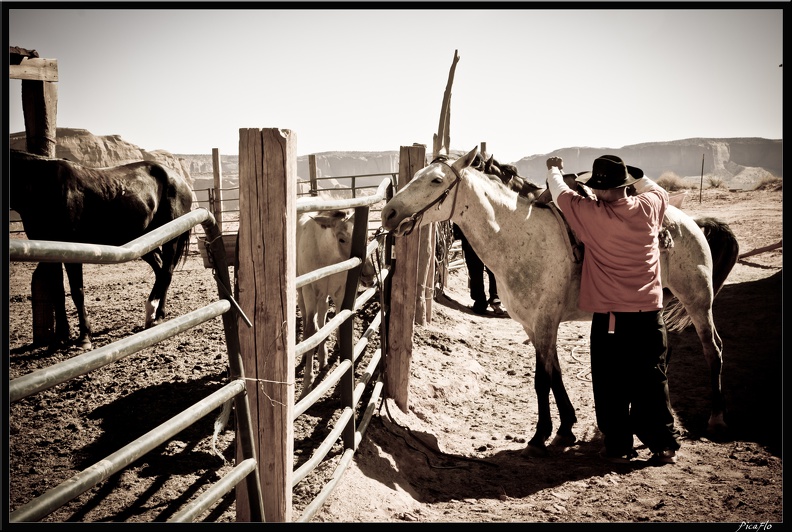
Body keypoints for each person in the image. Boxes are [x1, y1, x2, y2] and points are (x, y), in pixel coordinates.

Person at [545, 154, 681, 466]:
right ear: (626, 185)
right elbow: (657, 189)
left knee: (611, 382)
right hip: (650, 313)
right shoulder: (650, 206)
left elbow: (558, 191)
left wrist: (554, 169)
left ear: (602, 190)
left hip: (612, 318)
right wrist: (636, 178)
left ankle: (619, 446)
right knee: (653, 378)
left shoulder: (591, 215)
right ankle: (662, 445)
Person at [452, 223, 504, 316]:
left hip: (475, 235)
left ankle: (482, 302)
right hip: (488, 235)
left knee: (476, 270)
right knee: (489, 269)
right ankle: (493, 300)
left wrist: (457, 233)